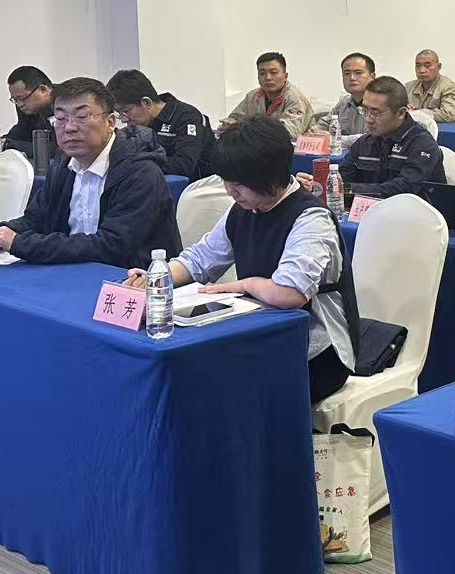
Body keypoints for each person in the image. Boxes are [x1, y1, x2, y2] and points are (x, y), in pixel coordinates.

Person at [126, 118, 357, 403]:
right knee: (188, 373)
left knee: (219, 386)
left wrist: (245, 284)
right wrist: (157, 277)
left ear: (271, 176)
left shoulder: (311, 218)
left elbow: (290, 294)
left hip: (315, 351)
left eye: (239, 184)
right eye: (227, 181)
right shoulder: (244, 209)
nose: (230, 191)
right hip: (258, 334)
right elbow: (200, 260)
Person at [0, 77, 181, 268]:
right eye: (60, 118)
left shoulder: (140, 171)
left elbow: (111, 245)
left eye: (82, 117)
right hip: (73, 270)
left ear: (110, 122)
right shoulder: (64, 164)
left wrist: (19, 243)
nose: (69, 128)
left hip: (128, 277)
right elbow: (35, 219)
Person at [325, 76, 444, 198]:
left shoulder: (423, 145)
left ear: (401, 113)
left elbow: (403, 189)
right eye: (364, 110)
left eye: (376, 113)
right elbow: (342, 179)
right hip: (369, 208)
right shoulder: (364, 143)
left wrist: (349, 189)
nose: (368, 119)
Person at [106, 69, 216, 180]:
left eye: (126, 111)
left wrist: (140, 163)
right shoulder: (140, 125)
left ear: (146, 102)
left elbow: (183, 166)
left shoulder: (187, 117)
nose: (123, 119)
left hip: (199, 185)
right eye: (119, 113)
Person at [219, 52, 315, 139]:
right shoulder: (252, 96)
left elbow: (287, 133)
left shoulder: (295, 99)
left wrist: (244, 128)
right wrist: (229, 124)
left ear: (285, 76)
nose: (268, 78)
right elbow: (235, 117)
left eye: (273, 73)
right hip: (258, 146)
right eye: (262, 73)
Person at [4, 65, 55, 153]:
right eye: (15, 100)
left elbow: (61, 148)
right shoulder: (28, 107)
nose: (19, 104)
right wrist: (1, 142)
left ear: (43, 90)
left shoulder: (67, 102)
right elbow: (21, 132)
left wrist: (11, 146)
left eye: (22, 98)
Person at [407, 49, 455, 123]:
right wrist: (405, 110)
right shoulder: (408, 87)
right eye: (418, 66)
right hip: (423, 127)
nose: (422, 70)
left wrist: (417, 113)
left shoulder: (448, 87)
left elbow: (448, 115)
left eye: (427, 66)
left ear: (439, 67)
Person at [330, 52, 377, 137]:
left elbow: (370, 138)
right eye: (347, 73)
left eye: (358, 73)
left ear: (372, 77)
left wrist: (335, 139)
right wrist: (316, 132)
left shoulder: (381, 105)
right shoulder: (343, 103)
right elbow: (323, 125)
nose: (352, 78)